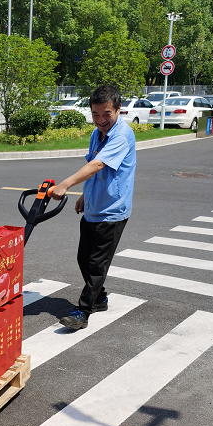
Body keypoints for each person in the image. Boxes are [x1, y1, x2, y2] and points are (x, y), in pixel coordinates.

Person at [51, 85, 136, 330]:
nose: (100, 120)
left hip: (112, 211)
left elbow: (98, 165)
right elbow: (93, 166)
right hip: (93, 207)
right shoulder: (96, 134)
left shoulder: (121, 135)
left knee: (97, 264)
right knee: (84, 259)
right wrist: (83, 195)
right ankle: (100, 297)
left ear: (118, 109)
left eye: (106, 114)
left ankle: (83, 311)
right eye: (95, 114)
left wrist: (65, 184)